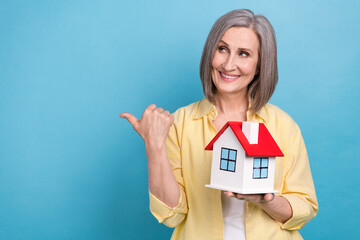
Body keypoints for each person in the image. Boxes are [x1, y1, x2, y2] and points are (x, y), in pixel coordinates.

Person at [120, 9, 318, 240]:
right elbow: (171, 215)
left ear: (259, 66)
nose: (229, 64)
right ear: (210, 53)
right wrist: (154, 146)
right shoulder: (180, 123)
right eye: (222, 49)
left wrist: (266, 201)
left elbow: (304, 207)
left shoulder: (283, 126)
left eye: (243, 54)